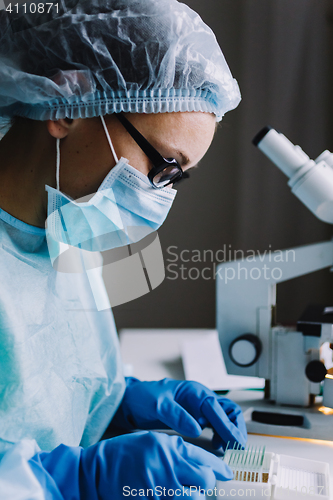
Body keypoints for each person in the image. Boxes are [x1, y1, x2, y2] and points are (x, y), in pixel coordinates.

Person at [0, 0, 247, 498]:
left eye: (178, 180)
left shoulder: (66, 233)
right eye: (163, 167)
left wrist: (118, 403)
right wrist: (75, 478)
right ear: (68, 104)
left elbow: (45, 397)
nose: (160, 196)